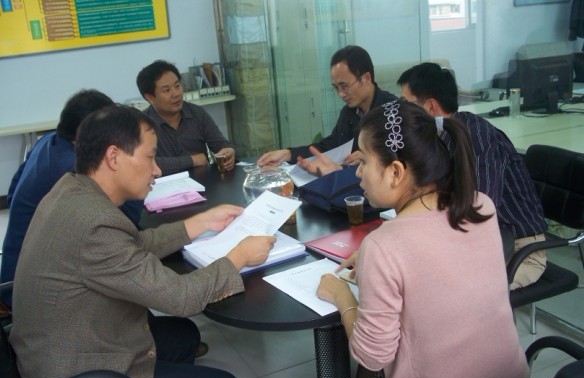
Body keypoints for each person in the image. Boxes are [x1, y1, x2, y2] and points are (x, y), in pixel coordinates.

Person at [9, 105, 276, 378]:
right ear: (114, 157)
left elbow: (131, 245)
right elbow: (181, 297)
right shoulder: (95, 225)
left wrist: (199, 223)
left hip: (69, 346)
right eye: (150, 157)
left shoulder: (72, 190)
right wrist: (239, 257)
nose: (157, 170)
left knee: (183, 337)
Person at [316, 100, 529, 378]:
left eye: (364, 161)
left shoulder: (384, 246)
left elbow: (372, 356)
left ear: (396, 172)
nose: (357, 173)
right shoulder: (480, 205)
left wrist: (342, 294)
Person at [397, 62, 548, 289]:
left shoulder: (477, 138)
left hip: (518, 249)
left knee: (436, 291)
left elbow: (479, 212)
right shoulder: (439, 135)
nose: (402, 113)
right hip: (477, 242)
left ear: (430, 106)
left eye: (406, 104)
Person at [0, 89, 143, 307]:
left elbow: (12, 195)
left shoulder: (47, 141)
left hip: (17, 267)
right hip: (36, 292)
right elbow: (125, 219)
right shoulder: (77, 168)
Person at [257, 45, 397, 172]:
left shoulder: (392, 112)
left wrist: (369, 161)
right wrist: (288, 154)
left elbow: (399, 163)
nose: (341, 94)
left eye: (344, 86)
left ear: (366, 78)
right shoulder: (349, 112)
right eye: (336, 88)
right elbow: (330, 147)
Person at [137, 59, 236, 175]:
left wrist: (228, 151)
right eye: (167, 90)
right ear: (150, 97)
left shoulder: (196, 113)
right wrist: (192, 160)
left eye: (177, 86)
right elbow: (146, 163)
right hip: (164, 184)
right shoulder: (141, 125)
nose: (176, 94)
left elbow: (220, 144)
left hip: (203, 181)